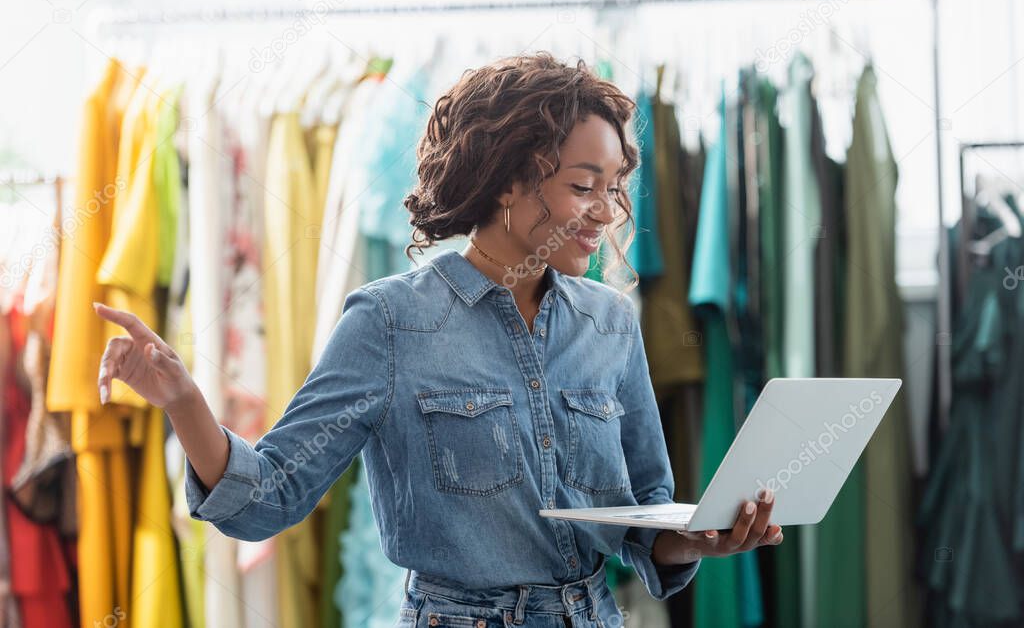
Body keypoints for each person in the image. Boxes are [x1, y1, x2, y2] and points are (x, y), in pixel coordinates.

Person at [94, 51, 783, 627]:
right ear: (512, 180)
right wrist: (184, 401)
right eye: (583, 185)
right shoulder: (388, 322)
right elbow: (267, 497)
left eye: (615, 186)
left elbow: (644, 514)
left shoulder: (611, 321)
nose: (608, 210)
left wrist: (692, 536)